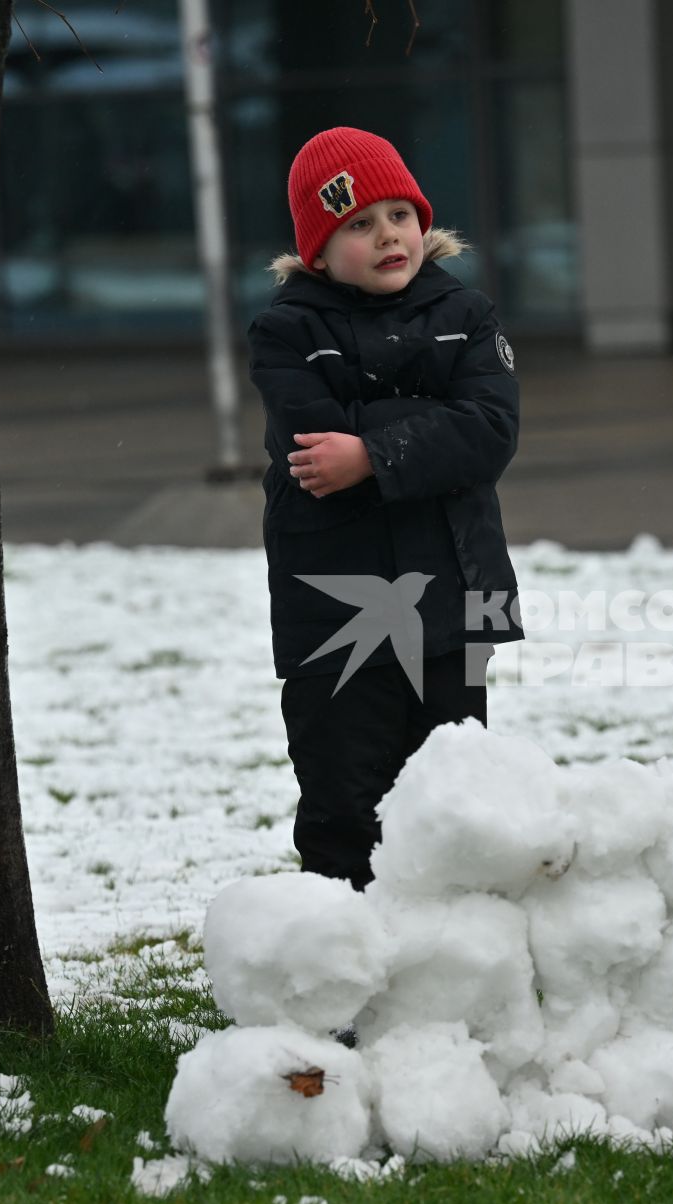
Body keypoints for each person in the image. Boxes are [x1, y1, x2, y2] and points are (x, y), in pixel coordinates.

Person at [247, 126, 524, 890]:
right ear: (318, 250)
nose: (387, 237)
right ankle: (343, 959)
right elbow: (311, 440)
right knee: (344, 795)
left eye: (399, 215)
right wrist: (431, 423)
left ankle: (456, 956)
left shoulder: (467, 315)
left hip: (454, 595)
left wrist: (371, 453)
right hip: (338, 608)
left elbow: (489, 432)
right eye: (359, 225)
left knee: (452, 792)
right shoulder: (286, 329)